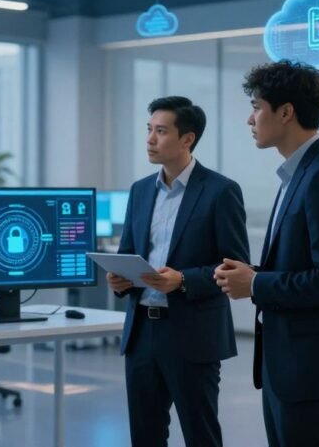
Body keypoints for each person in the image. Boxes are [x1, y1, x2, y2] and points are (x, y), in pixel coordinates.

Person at [214, 61, 319, 447]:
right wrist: (252, 274)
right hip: (290, 363)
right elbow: (303, 263)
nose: (249, 119)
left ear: (286, 112)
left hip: (314, 368)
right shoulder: (299, 174)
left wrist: (255, 284)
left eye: (256, 107)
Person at [106, 96, 250, 447]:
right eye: (149, 130)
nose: (150, 140)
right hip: (141, 332)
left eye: (161, 131)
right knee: (145, 435)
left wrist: (182, 280)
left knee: (200, 435)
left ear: (188, 139)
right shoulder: (141, 191)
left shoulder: (220, 191)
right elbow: (128, 252)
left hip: (192, 334)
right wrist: (119, 279)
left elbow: (235, 267)